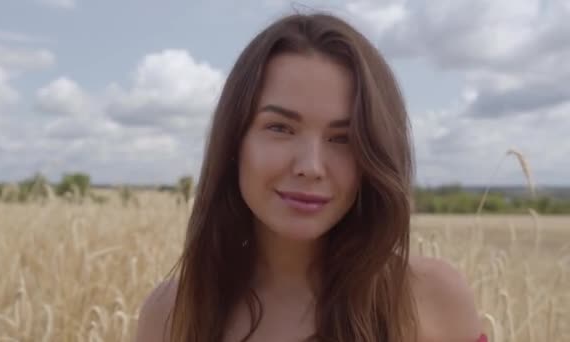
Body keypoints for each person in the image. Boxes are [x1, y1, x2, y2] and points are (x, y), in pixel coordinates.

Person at [135, 12, 486, 342]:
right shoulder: (171, 314)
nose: (311, 166)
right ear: (235, 140)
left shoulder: (431, 299)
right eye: (280, 128)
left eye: (342, 139)